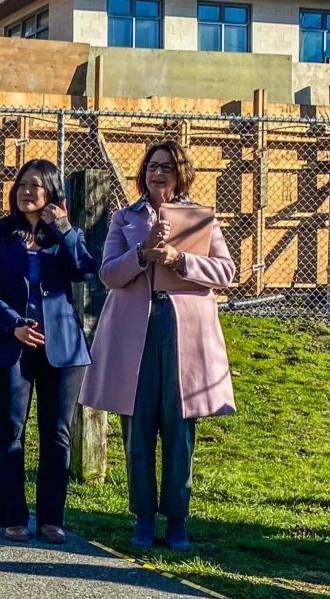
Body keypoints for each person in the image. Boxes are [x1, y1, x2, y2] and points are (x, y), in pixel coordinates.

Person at [79, 140, 235, 552]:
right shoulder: (124, 218)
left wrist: (179, 260)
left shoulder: (201, 218)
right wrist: (143, 253)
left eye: (166, 166)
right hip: (135, 334)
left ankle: (178, 520)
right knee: (139, 427)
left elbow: (226, 272)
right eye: (152, 166)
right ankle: (143, 518)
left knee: (179, 429)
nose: (158, 173)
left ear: (180, 173)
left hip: (185, 335)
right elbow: (108, 275)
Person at [0, 159, 95, 545]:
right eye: (22, 183)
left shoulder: (64, 234)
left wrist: (65, 229)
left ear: (52, 193)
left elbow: (83, 269)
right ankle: (13, 517)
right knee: (10, 430)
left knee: (57, 434)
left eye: (36, 185)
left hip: (63, 348)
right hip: (9, 344)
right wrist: (14, 324)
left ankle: (51, 519)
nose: (26, 191)